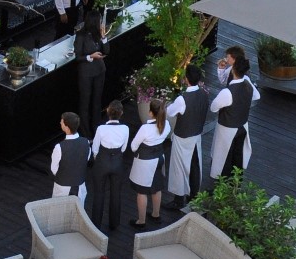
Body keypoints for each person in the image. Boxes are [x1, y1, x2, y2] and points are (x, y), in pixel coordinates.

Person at [210, 45, 259, 180]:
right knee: (238, 154)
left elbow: (213, 107)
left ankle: (222, 183)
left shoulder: (227, 92)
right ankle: (235, 182)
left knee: (224, 157)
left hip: (227, 127)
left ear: (234, 68)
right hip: (242, 125)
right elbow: (256, 96)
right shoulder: (248, 84)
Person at [164, 64, 209, 206]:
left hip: (182, 137)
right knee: (194, 165)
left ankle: (178, 200)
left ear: (186, 79)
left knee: (179, 168)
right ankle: (193, 196)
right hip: (196, 135)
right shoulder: (204, 94)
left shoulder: (182, 99)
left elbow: (169, 112)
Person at [88, 100, 131, 231]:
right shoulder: (125, 128)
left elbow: (95, 148)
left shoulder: (101, 129)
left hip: (102, 161)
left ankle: (96, 224)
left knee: (99, 193)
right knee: (116, 193)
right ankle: (114, 223)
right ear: (121, 113)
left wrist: (98, 158)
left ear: (107, 111)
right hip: (117, 161)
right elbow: (124, 148)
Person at [128, 99, 171, 229]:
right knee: (156, 188)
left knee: (142, 191)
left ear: (151, 113)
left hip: (145, 162)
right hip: (159, 158)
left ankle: (141, 221)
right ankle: (156, 214)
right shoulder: (167, 125)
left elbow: (133, 146)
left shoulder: (145, 128)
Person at [74, 12, 108, 131]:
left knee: (97, 101)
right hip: (86, 74)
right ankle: (86, 133)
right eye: (99, 21)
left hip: (99, 71)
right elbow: (78, 57)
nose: (101, 23)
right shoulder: (81, 35)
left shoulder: (98, 34)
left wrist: (104, 38)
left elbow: (107, 51)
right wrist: (91, 56)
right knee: (85, 103)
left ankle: (96, 129)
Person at [49, 111, 88, 204]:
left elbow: (54, 169)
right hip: (80, 186)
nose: (60, 123)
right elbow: (85, 159)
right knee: (78, 210)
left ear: (67, 127)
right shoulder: (86, 142)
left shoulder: (59, 147)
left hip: (62, 188)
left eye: (62, 122)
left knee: (59, 210)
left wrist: (65, 176)